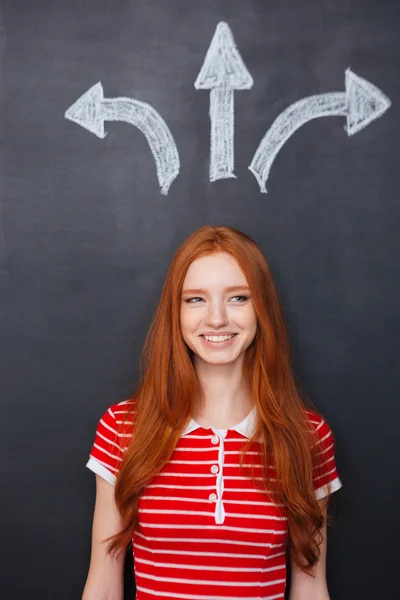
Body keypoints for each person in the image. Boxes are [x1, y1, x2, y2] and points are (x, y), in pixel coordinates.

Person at [82, 225, 342, 600]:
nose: (217, 319)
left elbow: (311, 586)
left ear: (262, 307)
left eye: (238, 297)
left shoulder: (308, 435)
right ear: (176, 311)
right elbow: (104, 584)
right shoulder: (123, 428)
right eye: (195, 300)